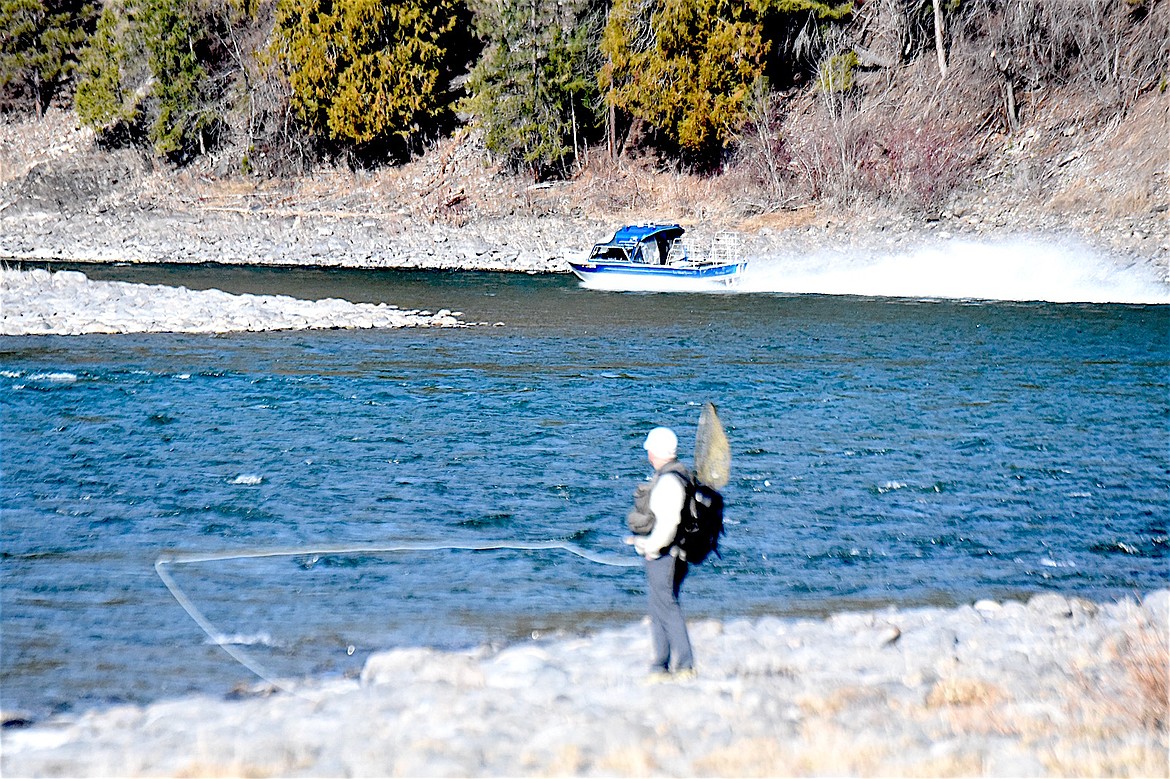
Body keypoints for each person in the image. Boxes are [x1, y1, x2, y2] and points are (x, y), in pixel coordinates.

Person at [628, 426, 695, 680]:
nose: (648, 455)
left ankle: (685, 664)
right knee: (659, 606)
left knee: (666, 606)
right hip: (673, 553)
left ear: (656, 452)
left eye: (650, 450)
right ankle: (661, 664)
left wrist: (650, 548)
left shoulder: (668, 481)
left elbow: (667, 525)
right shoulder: (677, 475)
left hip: (666, 554)